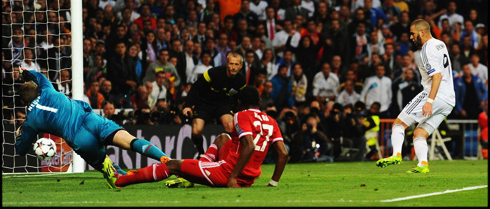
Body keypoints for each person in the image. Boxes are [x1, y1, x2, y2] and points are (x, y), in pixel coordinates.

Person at [14, 68, 170, 189]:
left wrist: (19, 136)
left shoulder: (30, 121)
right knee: (131, 141)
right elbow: (38, 76)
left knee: (109, 168)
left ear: (22, 102)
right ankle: (167, 161)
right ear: (38, 89)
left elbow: (21, 150)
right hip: (91, 120)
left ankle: (125, 178)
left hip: (79, 138)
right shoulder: (47, 89)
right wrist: (25, 72)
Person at [114, 86, 288, 188]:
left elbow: (249, 146)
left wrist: (233, 177)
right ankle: (201, 166)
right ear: (259, 102)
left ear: (240, 103)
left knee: (173, 165)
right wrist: (273, 183)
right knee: (223, 138)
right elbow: (283, 153)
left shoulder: (241, 115)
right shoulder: (271, 121)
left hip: (227, 173)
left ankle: (121, 181)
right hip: (249, 178)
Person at [376, 19, 455, 173]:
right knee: (420, 132)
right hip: (449, 100)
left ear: (422, 32)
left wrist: (429, 101)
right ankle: (423, 165)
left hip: (434, 95)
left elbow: (437, 76)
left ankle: (396, 155)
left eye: (412, 34)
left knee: (399, 123)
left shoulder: (426, 49)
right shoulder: (440, 44)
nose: (411, 37)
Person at [182, 52, 246, 155]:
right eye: (231, 64)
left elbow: (239, 98)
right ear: (227, 64)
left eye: (236, 64)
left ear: (241, 66)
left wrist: (236, 111)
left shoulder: (241, 81)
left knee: (230, 126)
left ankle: (229, 154)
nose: (233, 67)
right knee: (196, 131)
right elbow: (196, 87)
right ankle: (201, 153)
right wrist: (188, 106)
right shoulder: (213, 73)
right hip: (204, 103)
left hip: (223, 104)